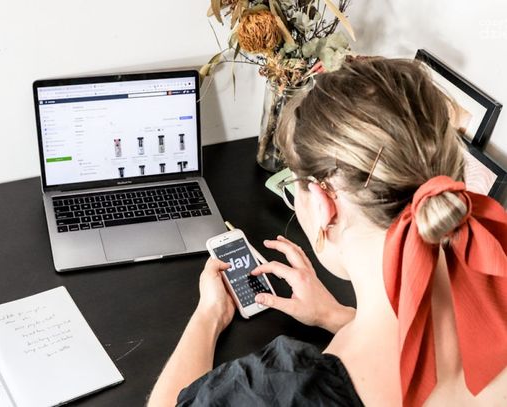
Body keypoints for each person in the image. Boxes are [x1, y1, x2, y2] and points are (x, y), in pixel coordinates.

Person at [147, 58, 507, 406]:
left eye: (293, 185)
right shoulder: (494, 275)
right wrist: (334, 316)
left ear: (323, 205)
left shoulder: (278, 389)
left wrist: (210, 314)